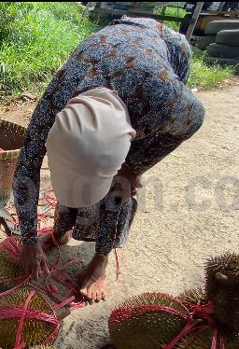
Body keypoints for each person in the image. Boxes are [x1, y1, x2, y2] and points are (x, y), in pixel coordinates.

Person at [12, 17, 205, 302]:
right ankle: (62, 228)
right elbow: (26, 166)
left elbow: (194, 120)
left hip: (164, 52)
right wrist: (28, 239)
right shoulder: (56, 101)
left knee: (120, 186)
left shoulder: (165, 101)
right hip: (113, 41)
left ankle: (100, 261)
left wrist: (134, 167)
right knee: (81, 172)